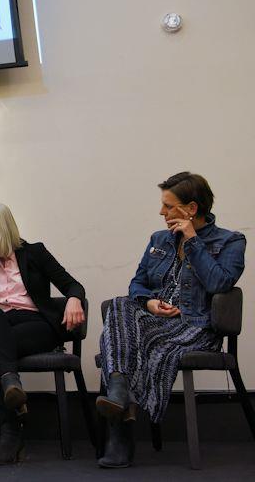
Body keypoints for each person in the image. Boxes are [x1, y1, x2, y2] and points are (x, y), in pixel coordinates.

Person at [96, 172, 245, 468]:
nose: (161, 212)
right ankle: (119, 389)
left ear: (191, 209)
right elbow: (136, 285)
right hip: (154, 321)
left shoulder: (231, 241)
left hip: (195, 327)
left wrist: (192, 242)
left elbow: (220, 284)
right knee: (119, 305)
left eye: (168, 206)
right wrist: (149, 302)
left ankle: (120, 431)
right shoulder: (158, 239)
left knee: (133, 343)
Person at [0, 201, 86, 465]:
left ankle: (10, 431)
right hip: (0, 325)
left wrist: (74, 299)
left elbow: (71, 284)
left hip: (37, 325)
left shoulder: (35, 252)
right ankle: (10, 384)